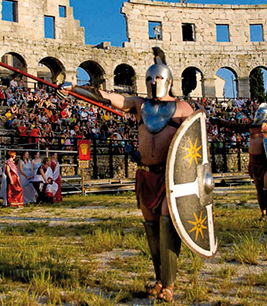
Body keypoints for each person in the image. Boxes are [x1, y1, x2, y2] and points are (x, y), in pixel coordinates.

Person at [66, 47, 193, 301]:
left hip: (170, 176)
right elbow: (105, 97)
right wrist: (72, 90)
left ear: (168, 81)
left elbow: (195, 144)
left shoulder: (183, 108)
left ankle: (169, 284)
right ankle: (159, 278)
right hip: (145, 175)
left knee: (167, 223)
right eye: (148, 79)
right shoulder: (139, 104)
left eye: (156, 79)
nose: (152, 83)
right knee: (151, 228)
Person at [213, 103, 267, 221]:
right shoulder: (251, 127)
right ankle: (263, 213)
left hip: (266, 161)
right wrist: (220, 121)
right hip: (254, 161)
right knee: (259, 189)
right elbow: (235, 126)